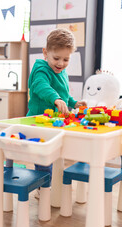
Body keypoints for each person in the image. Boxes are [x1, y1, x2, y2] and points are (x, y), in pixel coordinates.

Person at [27, 28, 86, 193]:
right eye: (56, 58)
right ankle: (43, 189)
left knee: (56, 155)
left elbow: (63, 96)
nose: (61, 63)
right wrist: (56, 99)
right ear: (45, 53)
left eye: (66, 59)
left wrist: (74, 103)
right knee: (44, 157)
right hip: (38, 122)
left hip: (54, 122)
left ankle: (53, 183)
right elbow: (41, 86)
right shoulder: (41, 69)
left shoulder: (62, 72)